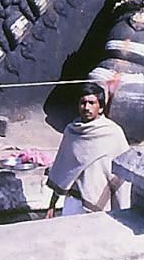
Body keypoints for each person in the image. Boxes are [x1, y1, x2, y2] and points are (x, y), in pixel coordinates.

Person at [45, 83, 130, 217]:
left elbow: (121, 175)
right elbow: (63, 169)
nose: (87, 107)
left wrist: (123, 211)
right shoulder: (71, 131)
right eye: (83, 103)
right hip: (72, 201)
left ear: (101, 107)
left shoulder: (112, 133)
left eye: (92, 103)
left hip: (98, 204)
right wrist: (52, 205)